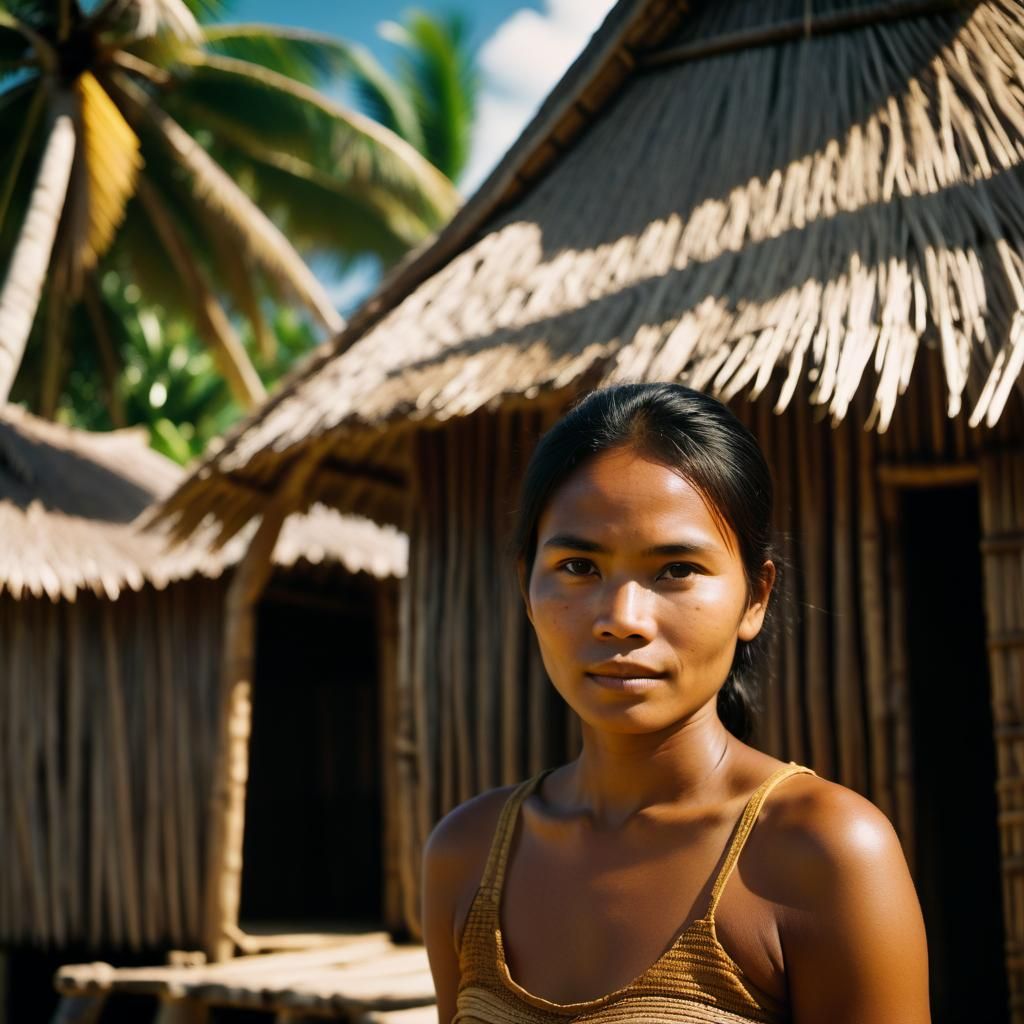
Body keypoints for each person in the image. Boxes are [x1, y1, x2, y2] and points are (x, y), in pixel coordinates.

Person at [422, 383, 930, 1024]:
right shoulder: (466, 853)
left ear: (756, 598)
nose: (621, 619)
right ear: (526, 589)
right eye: (579, 566)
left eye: (676, 569)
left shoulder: (825, 855)